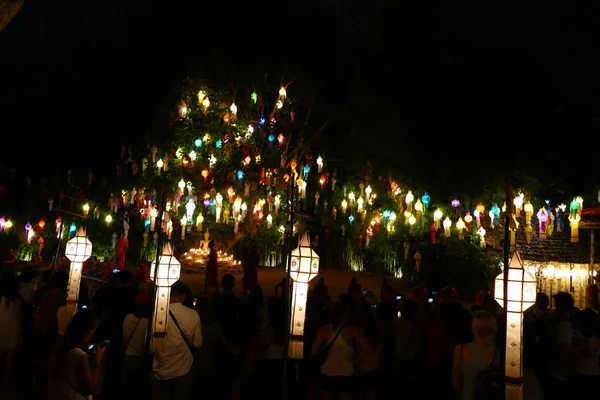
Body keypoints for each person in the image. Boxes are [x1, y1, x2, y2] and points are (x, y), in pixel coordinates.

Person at [311, 302, 372, 400]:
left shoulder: (324, 330)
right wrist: (357, 361)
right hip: (346, 374)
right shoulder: (351, 331)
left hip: (327, 373)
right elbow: (368, 348)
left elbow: (314, 351)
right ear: (346, 315)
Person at [152, 281, 202, 400]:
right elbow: (198, 343)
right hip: (183, 369)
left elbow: (150, 344)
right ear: (183, 295)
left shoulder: (157, 314)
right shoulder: (193, 314)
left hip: (160, 370)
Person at [48, 309, 104, 400]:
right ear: (86, 331)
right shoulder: (80, 356)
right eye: (92, 332)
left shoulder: (59, 346)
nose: (91, 336)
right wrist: (97, 361)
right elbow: (89, 389)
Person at [452, 310, 498, 400]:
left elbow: (456, 384)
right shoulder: (501, 353)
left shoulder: (460, 350)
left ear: (473, 328)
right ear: (495, 329)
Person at [122, 290, 152, 392]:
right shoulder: (149, 322)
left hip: (128, 357)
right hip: (142, 361)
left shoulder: (128, 318)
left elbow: (125, 338)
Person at [0, 272, 21, 382]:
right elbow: (18, 313)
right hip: (12, 330)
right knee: (9, 358)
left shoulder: (3, 299)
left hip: (2, 329)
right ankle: (7, 379)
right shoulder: (17, 301)